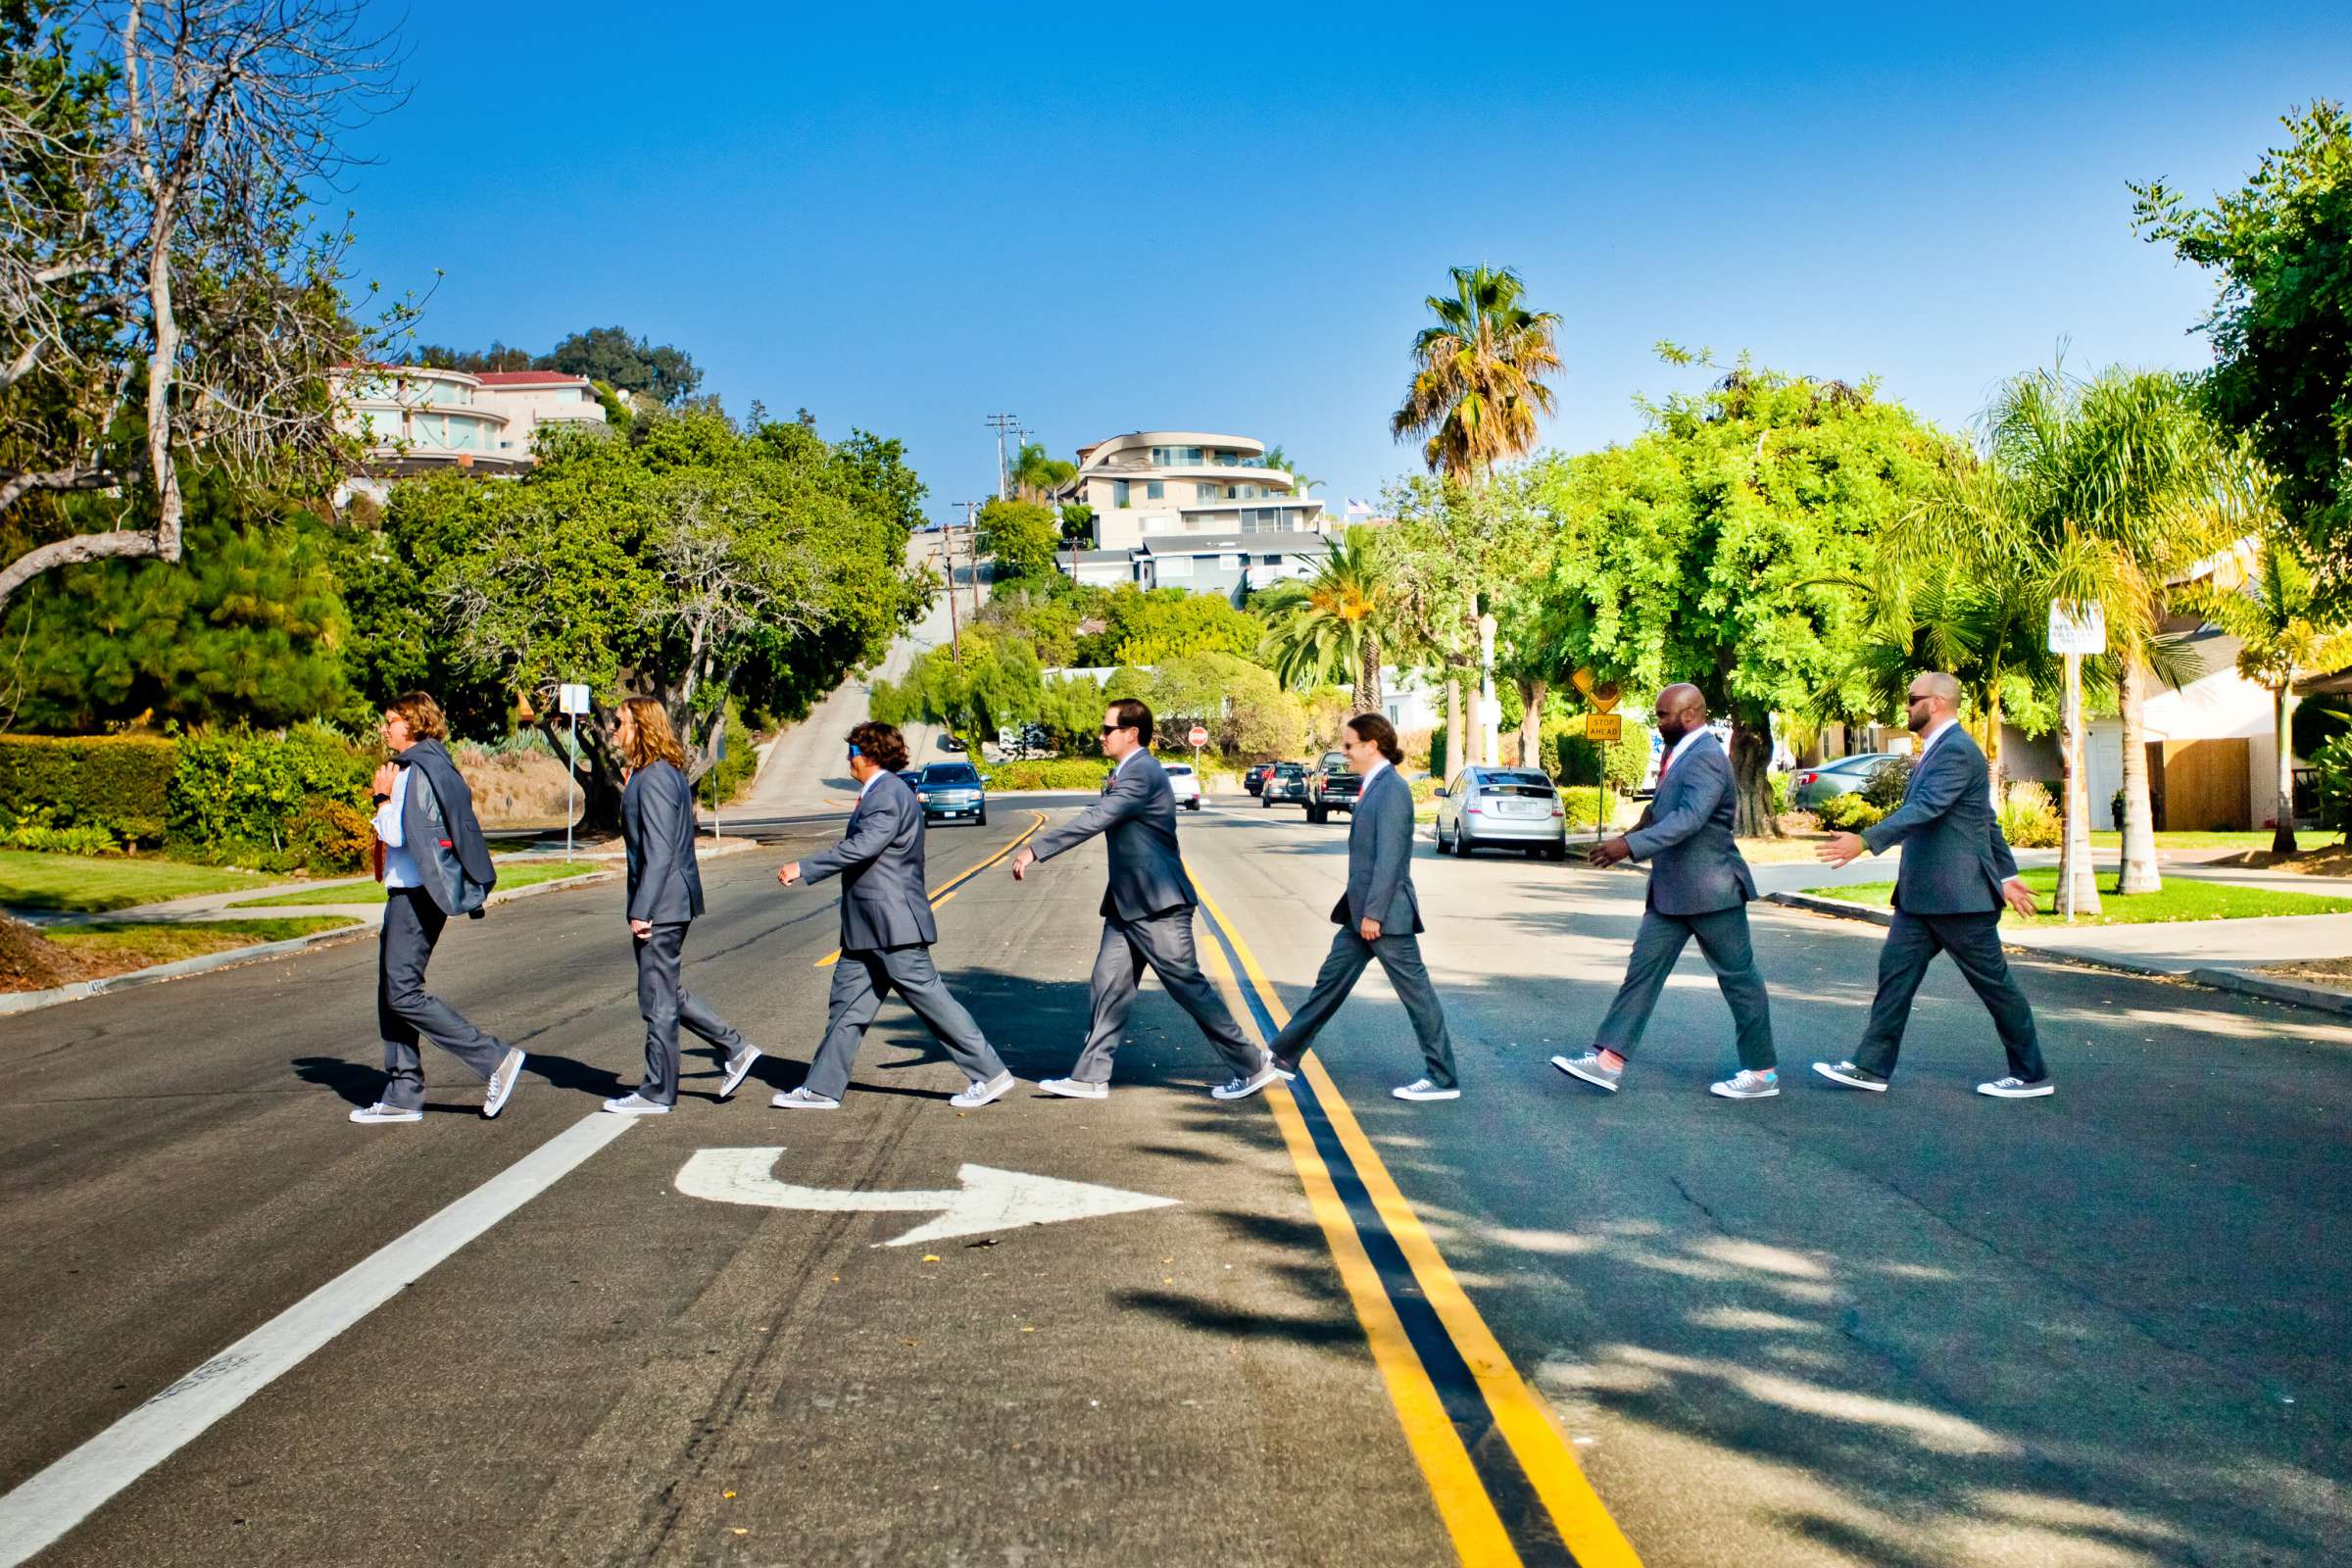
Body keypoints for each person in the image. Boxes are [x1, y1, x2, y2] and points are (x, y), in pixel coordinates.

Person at [1008, 698, 1277, 1102]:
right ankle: (1091, 1076)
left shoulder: (1142, 773)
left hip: (1158, 905)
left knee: (1187, 987)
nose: (1100, 736)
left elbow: (1097, 818)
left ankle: (1252, 1064)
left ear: (1131, 733)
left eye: (1107, 729)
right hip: (1126, 903)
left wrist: (1036, 849)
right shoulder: (1126, 772)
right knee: (1107, 985)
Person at [1813, 670, 2051, 1099]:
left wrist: (1866, 840)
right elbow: (1985, 822)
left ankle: (2031, 1074)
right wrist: (2008, 875)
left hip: (1959, 899)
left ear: (1937, 703)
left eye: (1912, 699)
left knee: (1995, 988)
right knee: (1895, 978)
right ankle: (1870, 1067)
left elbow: (1926, 808)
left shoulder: (1957, 751)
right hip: (1922, 900)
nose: (1906, 706)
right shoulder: (1940, 749)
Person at [772, 721, 1014, 1110]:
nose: (848, 760)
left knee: (933, 1003)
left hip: (891, 925)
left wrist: (804, 867)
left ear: (869, 756)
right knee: (846, 1007)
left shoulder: (887, 794)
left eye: (852, 753)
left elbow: (863, 846)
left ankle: (989, 1073)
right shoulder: (883, 792)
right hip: (867, 928)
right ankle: (822, 1088)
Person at [1552, 685, 1778, 1099]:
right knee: (1641, 974)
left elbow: (1689, 819)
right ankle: (1608, 1063)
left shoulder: (1708, 757)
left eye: (1662, 715)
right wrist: (1626, 838)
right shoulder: (1682, 753)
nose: (1657, 722)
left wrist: (1629, 847)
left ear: (1689, 715)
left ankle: (1761, 1073)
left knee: (1739, 980)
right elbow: (1660, 811)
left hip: (1712, 890)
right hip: (1671, 893)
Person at [1259, 712, 1462, 1102]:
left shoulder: (1392, 790)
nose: (1344, 752)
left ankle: (1442, 1078)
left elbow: (1391, 860)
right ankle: (1283, 1055)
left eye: (1349, 745)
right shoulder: (1374, 785)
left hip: (1383, 918)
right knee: (1328, 986)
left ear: (1373, 745)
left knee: (1418, 997)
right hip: (1361, 916)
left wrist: (1374, 914)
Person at [349, 692, 527, 1125]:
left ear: (411, 723)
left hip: (415, 895)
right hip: (412, 893)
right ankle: (402, 1092)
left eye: (390, 720)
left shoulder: (412, 771)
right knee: (391, 993)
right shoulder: (434, 761)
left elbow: (401, 834)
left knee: (402, 992)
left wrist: (380, 797)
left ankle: (494, 1058)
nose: (384, 727)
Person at [600, 698, 764, 1116]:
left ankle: (658, 1091)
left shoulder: (654, 777)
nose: (612, 730)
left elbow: (658, 852)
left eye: (619, 722)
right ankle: (735, 1048)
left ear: (641, 726)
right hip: (672, 898)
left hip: (663, 902)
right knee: (665, 991)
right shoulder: (664, 773)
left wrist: (643, 908)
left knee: (656, 1000)